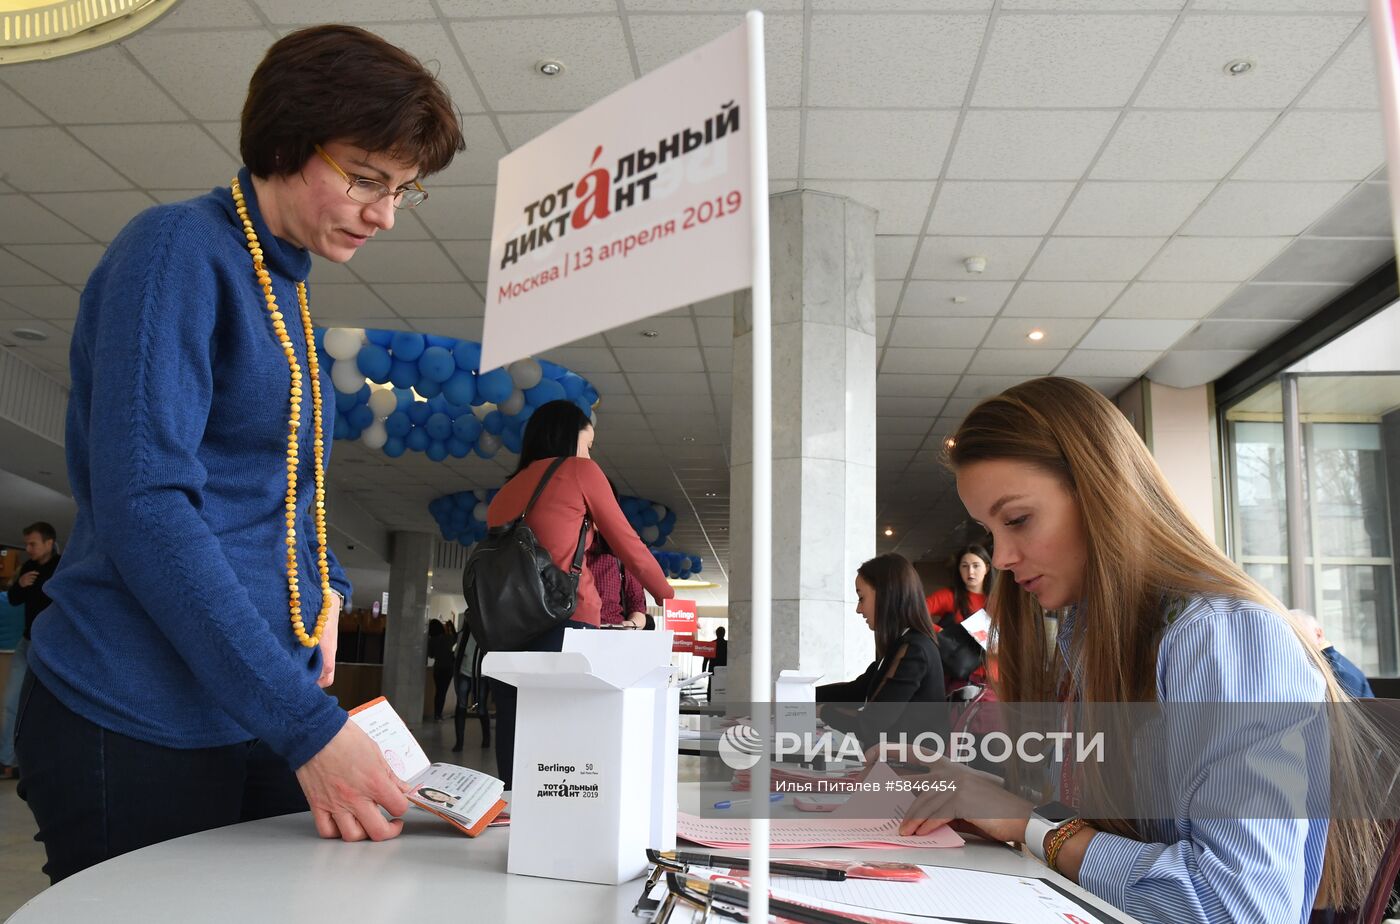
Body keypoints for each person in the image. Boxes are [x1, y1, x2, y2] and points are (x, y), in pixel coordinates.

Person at [14, 25, 465, 883]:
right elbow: (147, 504)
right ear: (289, 141)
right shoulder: (176, 249)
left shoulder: (284, 283)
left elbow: (282, 491)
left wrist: (327, 588)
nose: (384, 213)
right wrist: (308, 727)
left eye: (403, 190)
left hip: (245, 707)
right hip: (134, 710)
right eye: (366, 178)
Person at [898, 376, 1390, 923]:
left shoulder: (1222, 638)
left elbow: (1237, 908)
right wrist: (976, 792)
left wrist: (1027, 823)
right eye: (991, 531)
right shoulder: (1091, 632)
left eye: (1017, 520)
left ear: (1103, 493)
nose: (1002, 557)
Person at [486, 399, 673, 788]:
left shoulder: (506, 490)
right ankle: (566, 808)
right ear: (569, 438)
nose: (589, 455)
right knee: (570, 733)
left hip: (505, 624)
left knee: (516, 726)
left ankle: (515, 808)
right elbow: (625, 541)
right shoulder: (580, 470)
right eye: (587, 445)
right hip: (565, 618)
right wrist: (664, 591)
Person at [816, 553, 947, 751]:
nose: (859, 609)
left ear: (887, 595)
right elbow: (858, 691)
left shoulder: (914, 650)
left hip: (911, 766)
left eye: (861, 598)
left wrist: (822, 711)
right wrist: (802, 696)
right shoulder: (902, 644)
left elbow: (870, 725)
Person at [1, 522, 60, 781]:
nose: (28, 548)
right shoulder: (28, 567)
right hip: (26, 641)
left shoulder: (61, 567)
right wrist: (21, 585)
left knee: (45, 704)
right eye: (26, 544)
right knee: (12, 702)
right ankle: (7, 760)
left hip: (50, 645)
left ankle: (44, 760)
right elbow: (14, 599)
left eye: (32, 543)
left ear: (49, 542)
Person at [925, 543, 995, 694]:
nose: (970, 571)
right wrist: (939, 631)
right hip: (965, 678)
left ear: (987, 568)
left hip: (998, 677)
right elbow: (914, 613)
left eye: (976, 565)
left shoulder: (998, 599)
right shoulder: (950, 596)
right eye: (964, 566)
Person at [1295, 610, 1375, 699]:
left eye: (1299, 635)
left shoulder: (1339, 671)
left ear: (1318, 634)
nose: (1294, 641)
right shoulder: (1332, 665)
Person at [587, 530, 648, 629]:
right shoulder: (567, 548)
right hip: (570, 629)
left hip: (611, 630)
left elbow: (637, 605)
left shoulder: (620, 553)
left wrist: (631, 624)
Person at [450, 627, 490, 752]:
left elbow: (457, 654)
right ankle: (485, 740)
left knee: (462, 706)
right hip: (479, 674)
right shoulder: (486, 631)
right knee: (480, 708)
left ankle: (460, 743)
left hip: (468, 673)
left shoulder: (464, 634)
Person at [427, 619, 454, 721]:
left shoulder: (431, 640)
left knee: (439, 692)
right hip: (448, 668)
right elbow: (456, 639)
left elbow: (431, 655)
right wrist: (451, 627)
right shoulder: (448, 638)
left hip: (438, 668)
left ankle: (437, 714)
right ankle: (439, 714)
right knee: (443, 692)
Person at [702, 626, 728, 702]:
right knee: (723, 686)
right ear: (724, 634)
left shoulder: (711, 644)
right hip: (724, 670)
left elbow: (705, 659)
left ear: (716, 634)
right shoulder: (728, 644)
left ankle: (710, 701)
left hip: (712, 670)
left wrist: (704, 671)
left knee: (711, 686)